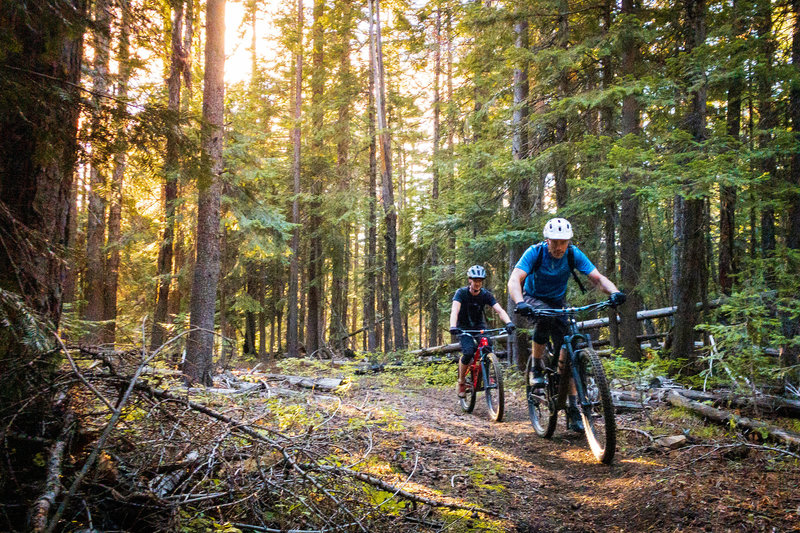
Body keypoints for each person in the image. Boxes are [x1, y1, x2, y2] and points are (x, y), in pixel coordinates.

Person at [507, 217, 626, 431]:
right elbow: (515, 279)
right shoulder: (535, 253)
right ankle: (536, 367)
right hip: (533, 298)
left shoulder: (573, 254)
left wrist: (615, 292)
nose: (560, 247)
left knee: (569, 349)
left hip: (558, 301)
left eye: (564, 242)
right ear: (547, 240)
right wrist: (520, 302)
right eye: (555, 242)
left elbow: (597, 278)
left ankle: (573, 409)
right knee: (544, 318)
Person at [449, 265, 516, 398]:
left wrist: (508, 322)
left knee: (487, 348)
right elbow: (454, 310)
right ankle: (461, 381)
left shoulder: (485, 295)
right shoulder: (461, 293)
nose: (477, 283)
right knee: (468, 352)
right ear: (470, 280)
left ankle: (486, 375)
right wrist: (453, 326)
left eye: (480, 280)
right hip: (463, 327)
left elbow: (499, 310)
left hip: (479, 326)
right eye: (475, 280)